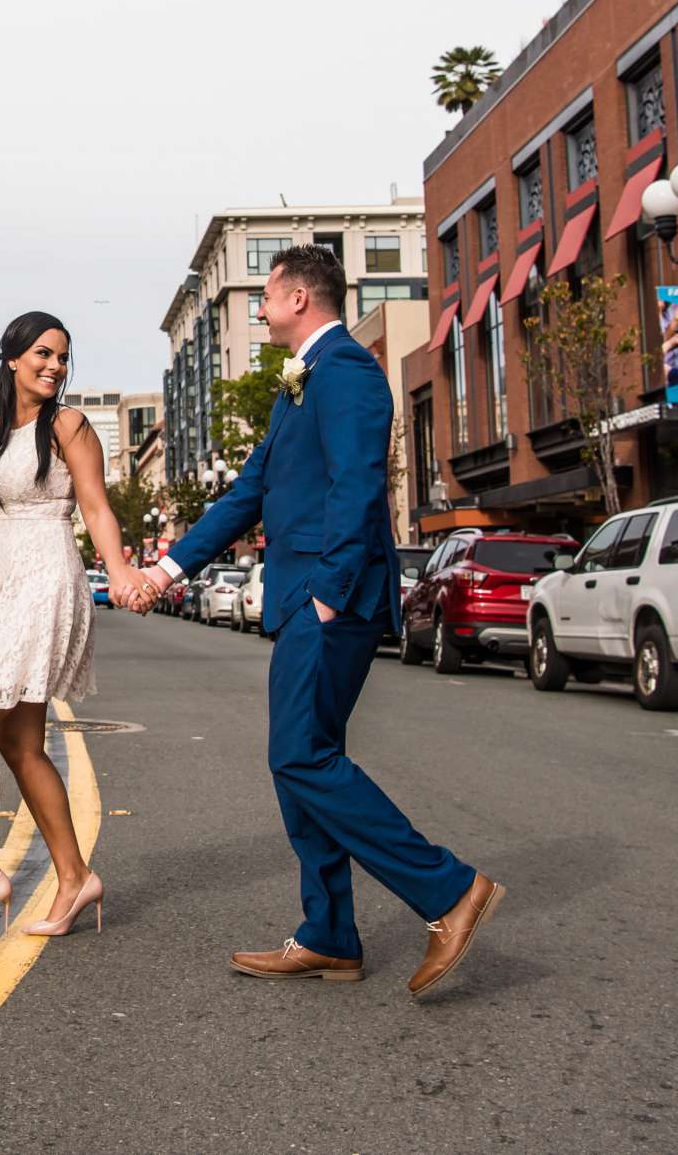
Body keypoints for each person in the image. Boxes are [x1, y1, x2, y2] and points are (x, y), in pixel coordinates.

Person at [139, 244, 504, 999]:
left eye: (265, 297)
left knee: (301, 755)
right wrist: (167, 569)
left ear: (299, 297)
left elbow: (359, 481)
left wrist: (331, 592)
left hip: (326, 598)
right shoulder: (299, 385)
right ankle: (330, 934)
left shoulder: (346, 373)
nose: (261, 309)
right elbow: (249, 494)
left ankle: (450, 890)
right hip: (307, 595)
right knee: (300, 759)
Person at [0, 311, 144, 940]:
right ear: (13, 359)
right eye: (44, 354)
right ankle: (76, 878)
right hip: (0, 585)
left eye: (63, 358)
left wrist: (123, 569)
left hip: (47, 579)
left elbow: (98, 509)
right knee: (19, 745)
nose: (54, 366)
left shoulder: (70, 426)